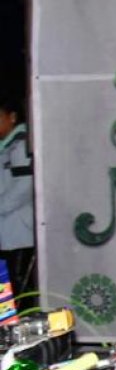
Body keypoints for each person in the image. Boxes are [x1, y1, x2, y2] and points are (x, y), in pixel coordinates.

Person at [0, 92, 33, 311]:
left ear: (12, 117)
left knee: (19, 292)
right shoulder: (6, 147)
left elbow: (24, 188)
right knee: (5, 294)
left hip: (20, 236)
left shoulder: (22, 145)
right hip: (7, 236)